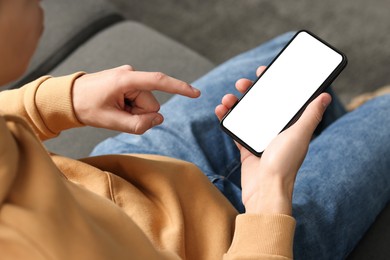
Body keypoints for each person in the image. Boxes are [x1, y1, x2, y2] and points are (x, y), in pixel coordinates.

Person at [1, 1, 390, 259]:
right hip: (240, 242)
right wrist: (269, 200)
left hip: (134, 174)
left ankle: (336, 121)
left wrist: (55, 101)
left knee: (294, 56)